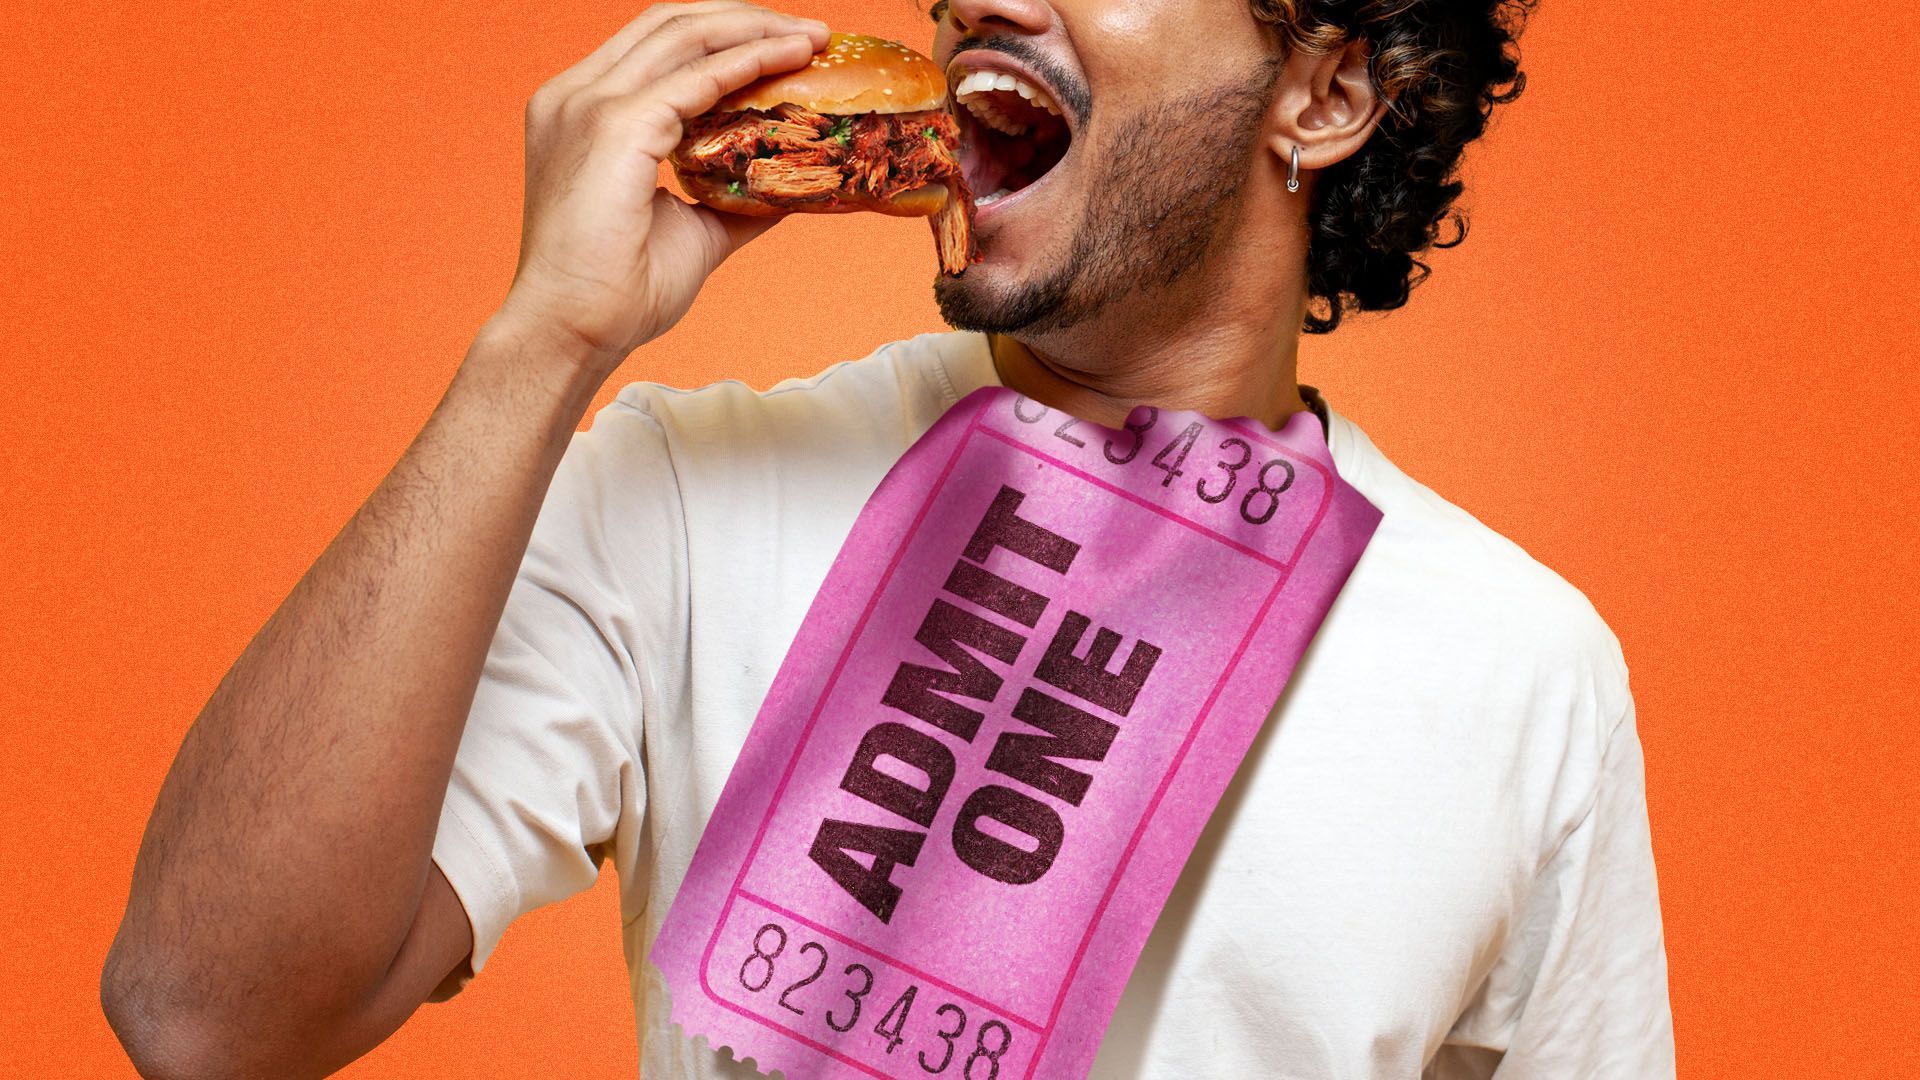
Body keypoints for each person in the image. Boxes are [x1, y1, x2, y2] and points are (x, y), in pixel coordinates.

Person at [100, 0, 1674, 1076]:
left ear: (1323, 94)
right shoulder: (682, 493)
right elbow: (206, 1015)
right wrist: (543, 339)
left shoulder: (1517, 670)